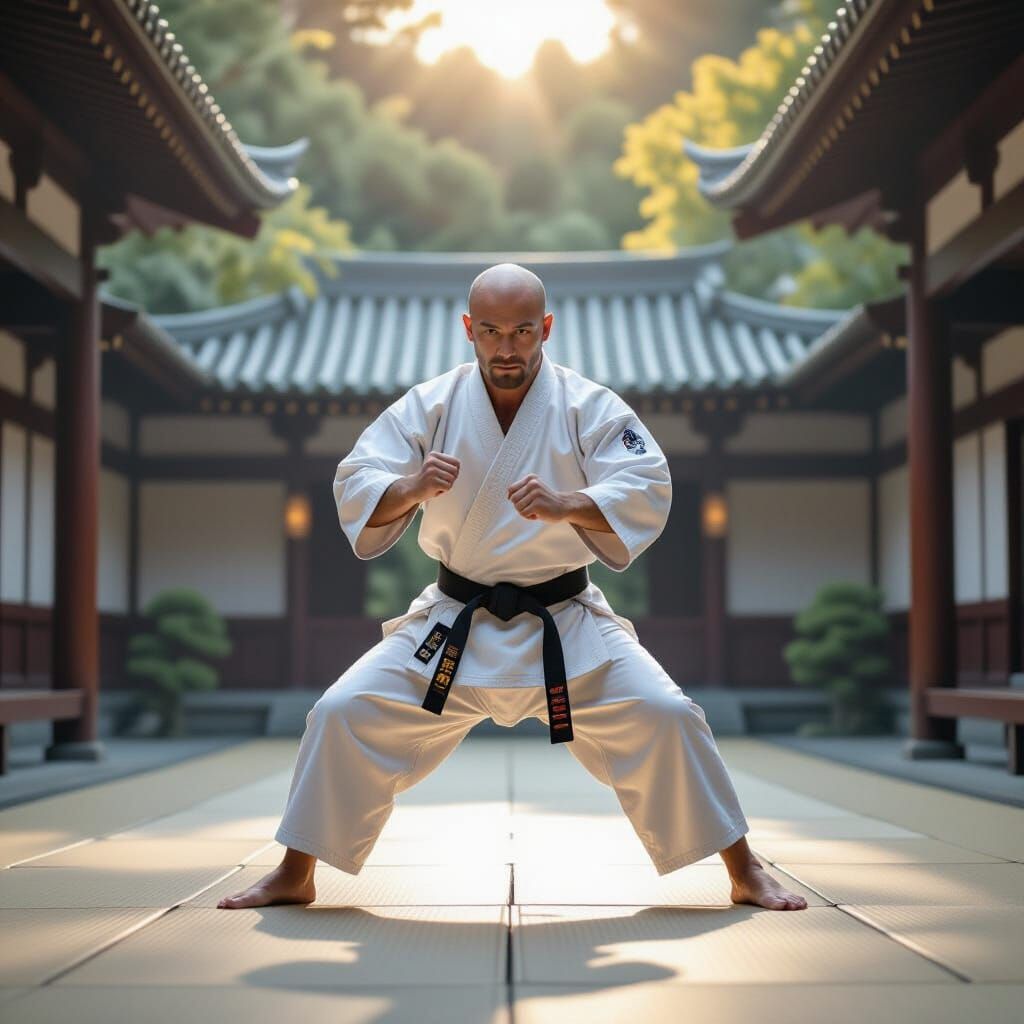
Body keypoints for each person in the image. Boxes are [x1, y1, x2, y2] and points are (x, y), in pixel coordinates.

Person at [218, 263, 808, 912]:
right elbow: (358, 476)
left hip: (565, 621)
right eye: (492, 331)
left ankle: (744, 869)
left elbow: (645, 482)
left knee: (669, 716)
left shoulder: (590, 407)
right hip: (454, 621)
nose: (507, 348)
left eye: (523, 331)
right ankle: (295, 871)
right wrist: (411, 488)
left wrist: (570, 503)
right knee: (340, 712)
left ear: (546, 328)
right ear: (469, 329)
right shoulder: (429, 407)